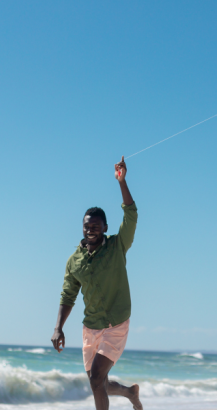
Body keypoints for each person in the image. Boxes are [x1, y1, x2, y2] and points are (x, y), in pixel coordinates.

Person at [51, 157, 142, 410]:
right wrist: (58, 328)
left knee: (95, 378)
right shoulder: (75, 261)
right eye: (86, 226)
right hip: (90, 327)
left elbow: (131, 215)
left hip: (116, 323)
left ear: (105, 227)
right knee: (98, 382)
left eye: (96, 226)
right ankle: (130, 393)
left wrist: (122, 182)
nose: (91, 230)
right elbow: (67, 295)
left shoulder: (116, 246)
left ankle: (128, 394)